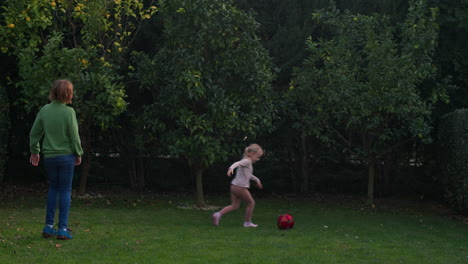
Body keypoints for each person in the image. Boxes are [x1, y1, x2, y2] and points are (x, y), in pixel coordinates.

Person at [29, 79, 83, 240]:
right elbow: (74, 137)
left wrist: (35, 151)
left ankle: (48, 226)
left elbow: (34, 134)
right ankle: (63, 229)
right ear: (68, 93)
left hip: (50, 157)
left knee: (53, 188)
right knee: (65, 190)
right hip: (66, 156)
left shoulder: (45, 110)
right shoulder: (68, 112)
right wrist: (78, 153)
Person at [212, 144, 264, 227]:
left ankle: (218, 214)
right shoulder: (247, 161)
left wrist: (257, 180)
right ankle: (247, 222)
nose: (258, 159)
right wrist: (231, 168)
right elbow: (237, 163)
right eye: (257, 157)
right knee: (251, 203)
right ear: (251, 154)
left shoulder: (247, 162)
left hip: (234, 186)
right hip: (240, 187)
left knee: (234, 206)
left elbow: (249, 175)